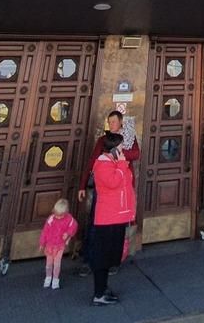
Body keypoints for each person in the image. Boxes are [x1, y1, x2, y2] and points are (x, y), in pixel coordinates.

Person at [77, 110, 140, 276]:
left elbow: (136, 154)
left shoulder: (127, 139)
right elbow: (92, 161)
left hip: (121, 191)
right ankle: (89, 260)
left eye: (114, 121)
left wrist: (118, 152)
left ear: (121, 123)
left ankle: (114, 261)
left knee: (118, 230)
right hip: (104, 191)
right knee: (95, 226)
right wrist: (82, 185)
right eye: (109, 121)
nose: (111, 124)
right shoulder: (103, 141)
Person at [89, 132, 136, 305]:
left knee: (110, 256)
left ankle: (103, 288)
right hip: (108, 217)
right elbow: (114, 182)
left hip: (117, 215)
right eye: (121, 147)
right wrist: (122, 164)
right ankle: (99, 294)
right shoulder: (103, 165)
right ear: (113, 149)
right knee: (103, 256)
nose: (123, 150)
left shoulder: (115, 163)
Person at [38, 198, 78, 289]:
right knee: (49, 263)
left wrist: (68, 233)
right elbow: (45, 231)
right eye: (56, 215)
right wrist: (42, 243)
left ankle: (55, 279)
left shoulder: (69, 219)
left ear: (66, 213)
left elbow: (74, 226)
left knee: (57, 264)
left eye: (61, 216)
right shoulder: (51, 219)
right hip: (49, 245)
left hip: (60, 245)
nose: (58, 217)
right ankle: (48, 277)